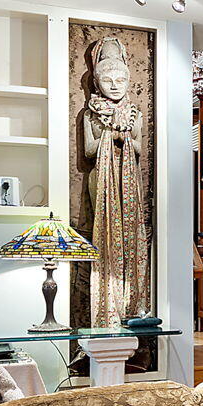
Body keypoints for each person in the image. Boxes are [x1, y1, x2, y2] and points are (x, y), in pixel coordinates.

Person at [81, 35, 150, 324]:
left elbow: (139, 148)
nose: (114, 85)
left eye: (120, 80)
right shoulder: (91, 114)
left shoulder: (135, 114)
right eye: (107, 80)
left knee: (132, 234)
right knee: (105, 234)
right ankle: (107, 304)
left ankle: (133, 304)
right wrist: (110, 134)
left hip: (129, 179)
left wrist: (125, 137)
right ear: (97, 83)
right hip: (101, 177)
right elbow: (89, 150)